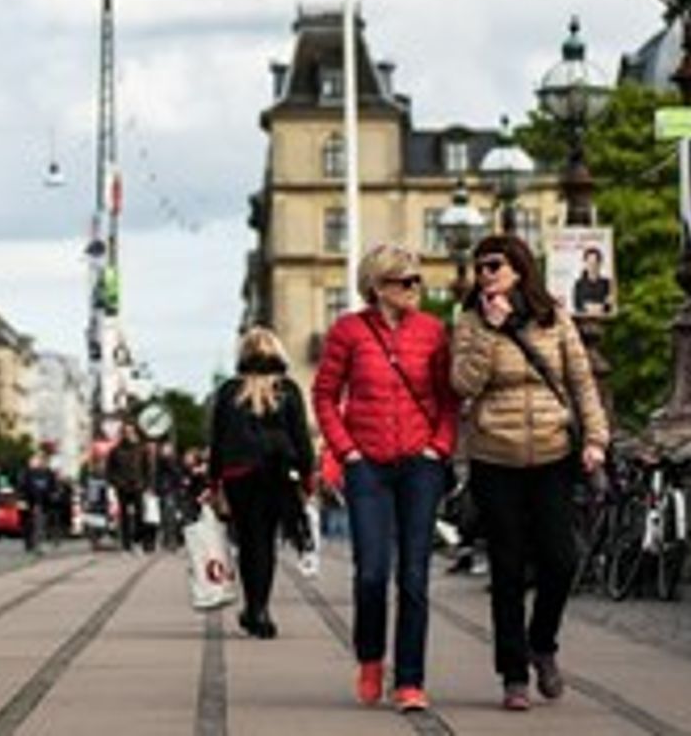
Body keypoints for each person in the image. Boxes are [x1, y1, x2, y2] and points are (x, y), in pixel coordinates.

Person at [450, 234, 611, 710]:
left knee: (561, 561)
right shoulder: (470, 321)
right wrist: (489, 333)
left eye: (494, 264)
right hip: (494, 458)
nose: (485, 274)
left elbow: (582, 382)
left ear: (519, 267)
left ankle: (543, 643)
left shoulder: (554, 317)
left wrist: (597, 441)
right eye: (479, 267)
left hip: (552, 454)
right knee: (507, 569)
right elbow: (462, 384)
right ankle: (513, 674)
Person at [314, 243, 456, 713]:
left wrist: (439, 447)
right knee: (372, 573)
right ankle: (371, 658)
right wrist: (348, 452)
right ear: (377, 287)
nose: (416, 288)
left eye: (417, 279)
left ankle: (411, 681)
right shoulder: (348, 332)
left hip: (420, 463)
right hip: (367, 466)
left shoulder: (434, 333)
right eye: (405, 281)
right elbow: (324, 395)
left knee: (414, 575)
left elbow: (448, 397)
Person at [207, 326, 316, 639]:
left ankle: (252, 607)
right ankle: (260, 610)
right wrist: (307, 479)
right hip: (278, 475)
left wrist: (214, 483)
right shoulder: (288, 390)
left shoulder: (229, 391)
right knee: (265, 542)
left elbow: (217, 440)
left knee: (247, 540)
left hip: (239, 476)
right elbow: (301, 439)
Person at [104, 432, 155, 553]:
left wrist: (147, 484)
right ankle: (126, 544)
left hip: (138, 486)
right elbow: (109, 470)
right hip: (122, 487)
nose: (130, 435)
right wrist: (116, 482)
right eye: (127, 433)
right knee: (124, 517)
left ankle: (138, 540)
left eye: (132, 433)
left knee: (140, 515)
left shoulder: (141, 450)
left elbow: (147, 468)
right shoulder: (115, 451)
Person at [570, 248, 612, 314]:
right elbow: (576, 305)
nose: (592, 266)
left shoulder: (607, 283)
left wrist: (602, 307)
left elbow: (610, 305)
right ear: (585, 263)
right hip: (583, 321)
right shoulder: (579, 284)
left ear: (600, 263)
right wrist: (587, 308)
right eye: (590, 262)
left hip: (603, 321)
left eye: (595, 262)